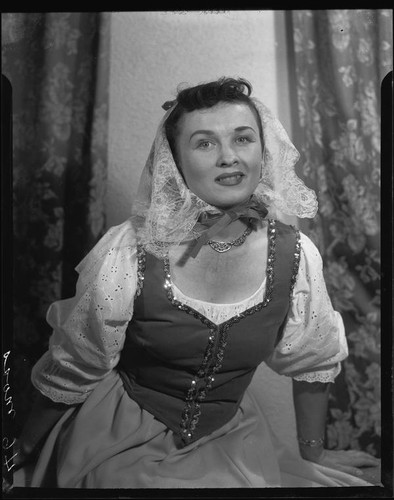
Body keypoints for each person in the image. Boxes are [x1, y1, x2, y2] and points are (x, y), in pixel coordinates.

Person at [13, 77, 380, 489]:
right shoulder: (130, 250)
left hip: (233, 437)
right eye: (205, 143)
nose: (229, 157)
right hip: (120, 437)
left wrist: (313, 451)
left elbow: (313, 362)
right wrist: (21, 453)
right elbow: (76, 366)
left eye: (243, 139)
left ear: (264, 149)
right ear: (175, 162)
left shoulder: (296, 254)